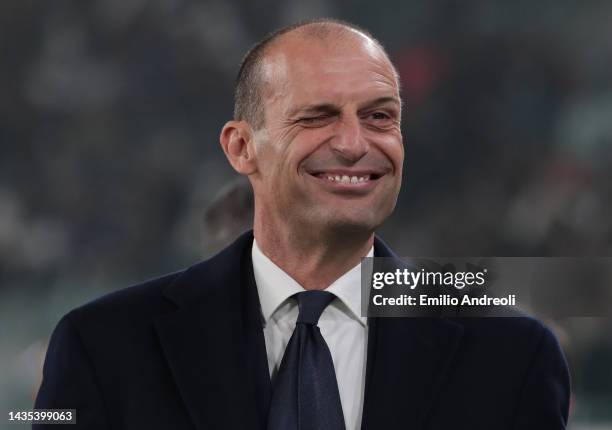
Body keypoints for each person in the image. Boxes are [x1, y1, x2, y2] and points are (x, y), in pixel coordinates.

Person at [34, 19, 570, 429]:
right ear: (242, 148)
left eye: (380, 116)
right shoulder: (103, 346)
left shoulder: (511, 356)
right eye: (317, 116)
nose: (356, 144)